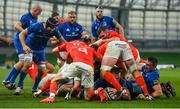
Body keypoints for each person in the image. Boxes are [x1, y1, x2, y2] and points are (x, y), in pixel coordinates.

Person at [40, 39, 107, 103]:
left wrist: (62, 59)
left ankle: (51, 98)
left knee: (54, 79)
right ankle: (98, 91)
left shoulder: (71, 47)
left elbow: (68, 61)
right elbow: (101, 59)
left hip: (76, 64)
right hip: (89, 68)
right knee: (88, 96)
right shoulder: (90, 49)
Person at [2, 5, 42, 93]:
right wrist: (24, 33)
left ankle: (11, 81)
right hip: (20, 41)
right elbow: (16, 25)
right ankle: (8, 80)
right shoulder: (26, 17)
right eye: (39, 12)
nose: (39, 14)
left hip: (26, 41)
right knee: (23, 61)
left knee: (26, 63)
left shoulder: (35, 18)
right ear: (36, 10)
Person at [19, 17, 65, 92]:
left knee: (41, 70)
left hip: (40, 51)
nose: (54, 29)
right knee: (26, 64)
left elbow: (63, 42)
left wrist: (72, 47)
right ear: (48, 26)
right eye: (53, 27)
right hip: (30, 48)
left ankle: (35, 88)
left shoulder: (55, 31)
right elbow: (22, 34)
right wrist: (24, 46)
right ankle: (19, 86)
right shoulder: (36, 26)